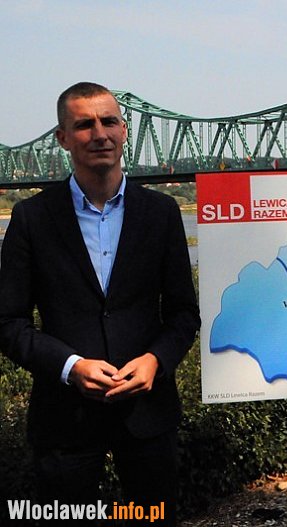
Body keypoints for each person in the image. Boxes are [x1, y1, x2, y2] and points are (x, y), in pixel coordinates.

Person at [0, 82, 200, 524]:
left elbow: (184, 314)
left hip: (148, 414)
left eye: (109, 121)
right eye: (84, 125)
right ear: (62, 138)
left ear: (125, 131)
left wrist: (155, 361)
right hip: (64, 417)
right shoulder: (31, 218)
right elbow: (8, 323)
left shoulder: (162, 213)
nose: (99, 134)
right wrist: (71, 366)